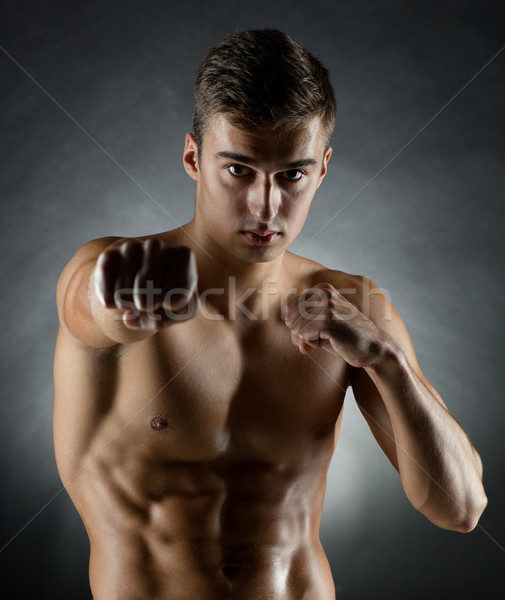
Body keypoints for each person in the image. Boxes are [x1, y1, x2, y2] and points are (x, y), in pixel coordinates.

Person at [53, 29, 487, 600]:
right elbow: (90, 303)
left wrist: (387, 360)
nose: (266, 206)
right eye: (239, 170)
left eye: (292, 175)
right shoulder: (110, 268)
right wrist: (116, 297)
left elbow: (459, 507)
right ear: (193, 157)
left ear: (323, 168)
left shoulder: (350, 304)